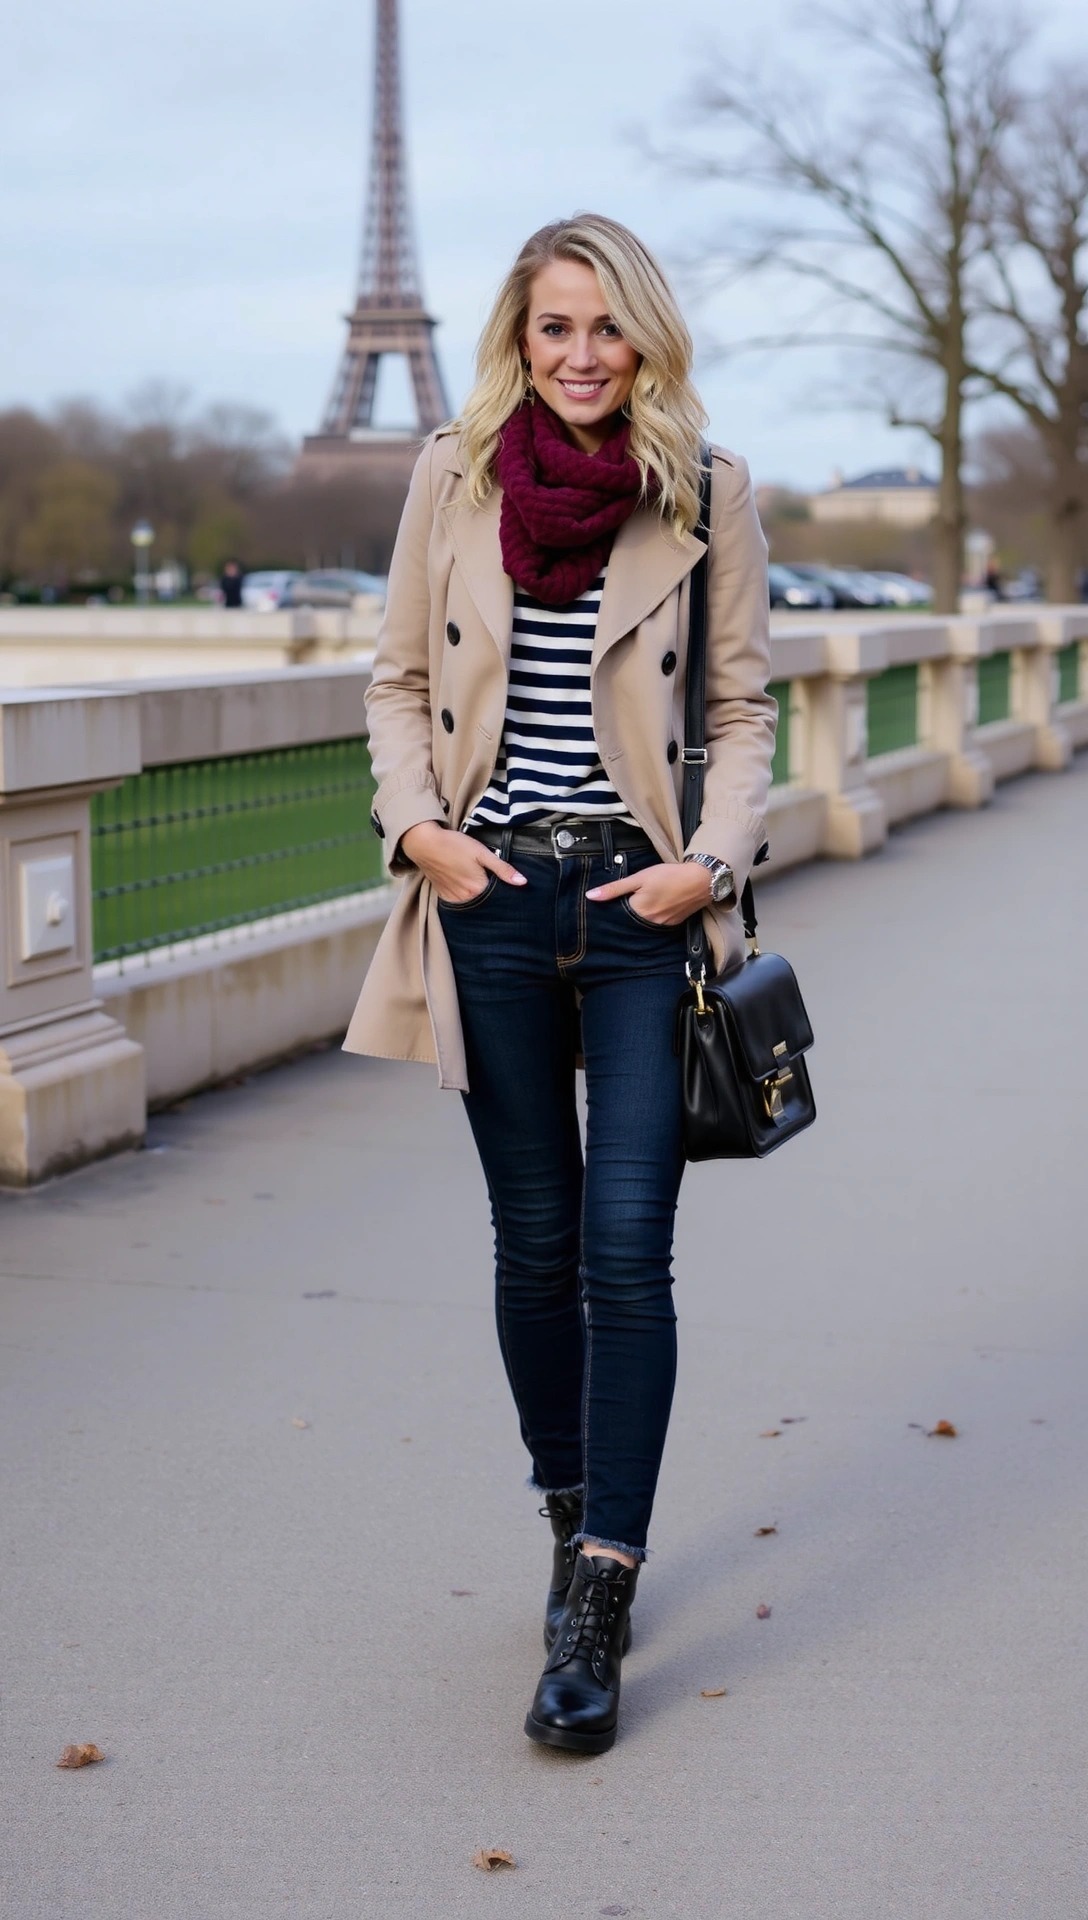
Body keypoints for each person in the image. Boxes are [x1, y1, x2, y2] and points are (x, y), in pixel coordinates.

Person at [345, 214, 776, 1755]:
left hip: (640, 904)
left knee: (625, 1254)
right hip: (497, 901)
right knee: (533, 1243)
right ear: (517, 341)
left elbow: (739, 707)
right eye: (553, 330)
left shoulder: (709, 491)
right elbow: (398, 677)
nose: (581, 355)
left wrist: (707, 866)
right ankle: (566, 1504)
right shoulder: (451, 472)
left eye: (606, 328)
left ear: (644, 336)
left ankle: (600, 1592)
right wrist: (419, 833)